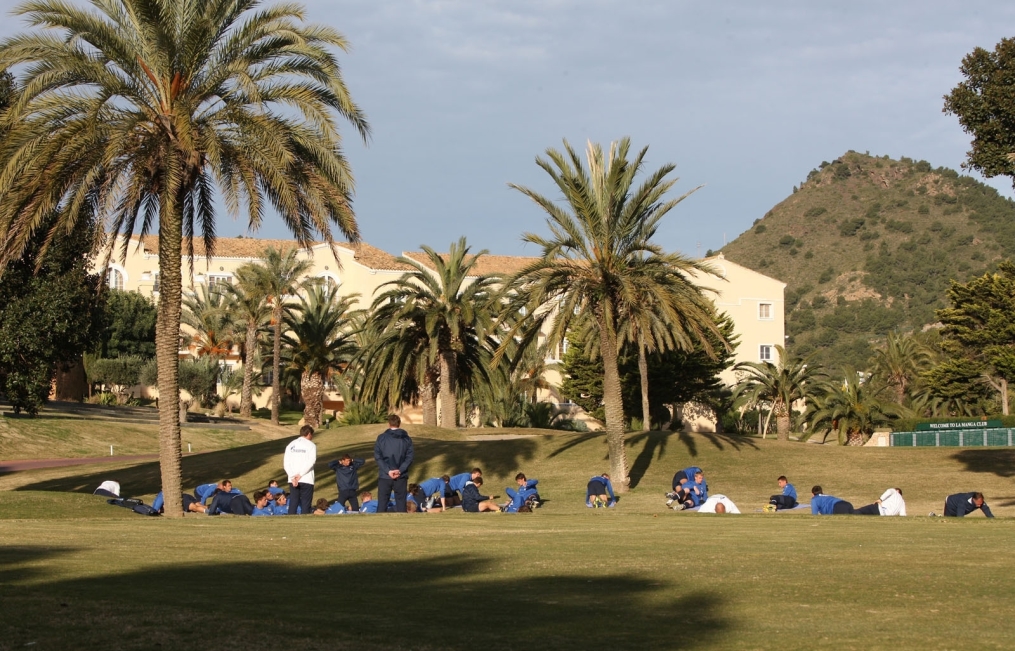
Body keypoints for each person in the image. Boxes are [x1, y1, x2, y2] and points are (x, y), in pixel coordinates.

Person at [373, 415, 414, 513]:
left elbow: (378, 456)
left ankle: (379, 526)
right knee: (401, 503)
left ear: (389, 424)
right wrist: (400, 470)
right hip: (401, 475)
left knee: (382, 502)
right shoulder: (406, 439)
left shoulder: (381, 438)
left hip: (385, 475)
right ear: (399, 424)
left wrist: (388, 470)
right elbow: (409, 457)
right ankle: (402, 525)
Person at [284, 425, 317, 516]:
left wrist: (292, 476)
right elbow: (311, 461)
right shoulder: (311, 445)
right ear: (309, 434)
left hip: (293, 479)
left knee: (293, 501)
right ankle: (304, 522)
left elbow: (286, 463)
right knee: (306, 503)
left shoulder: (291, 444)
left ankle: (290, 520)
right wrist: (300, 474)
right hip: (306, 478)